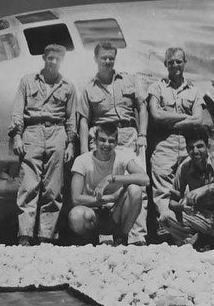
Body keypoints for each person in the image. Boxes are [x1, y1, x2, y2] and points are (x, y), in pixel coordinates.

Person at [77, 41, 148, 245]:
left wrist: (142, 134)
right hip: (103, 140)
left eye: (111, 58)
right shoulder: (89, 88)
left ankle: (136, 237)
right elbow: (83, 119)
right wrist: (83, 151)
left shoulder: (129, 80)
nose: (107, 61)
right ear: (96, 59)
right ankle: (105, 234)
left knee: (136, 186)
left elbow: (141, 107)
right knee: (104, 188)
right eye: (103, 58)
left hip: (128, 135)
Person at [9, 44, 77, 246]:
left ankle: (46, 236)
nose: (53, 62)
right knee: (28, 185)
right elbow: (17, 111)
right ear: (44, 58)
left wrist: (71, 143)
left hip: (57, 133)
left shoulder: (68, 86)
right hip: (32, 132)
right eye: (50, 58)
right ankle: (25, 235)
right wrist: (17, 136)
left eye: (57, 59)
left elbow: (71, 118)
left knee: (53, 189)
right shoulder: (27, 81)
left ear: (62, 61)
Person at [147, 47, 205, 235]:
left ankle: (185, 230)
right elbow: (155, 114)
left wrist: (169, 118)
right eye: (170, 62)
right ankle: (167, 228)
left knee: (188, 187)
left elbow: (198, 119)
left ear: (185, 63)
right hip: (164, 143)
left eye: (179, 61)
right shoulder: (157, 88)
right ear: (165, 64)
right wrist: (182, 118)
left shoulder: (195, 91)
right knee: (163, 189)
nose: (175, 65)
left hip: (188, 144)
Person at [67, 123, 149, 245]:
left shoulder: (122, 156)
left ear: (116, 143)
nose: (106, 145)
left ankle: (122, 236)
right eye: (102, 140)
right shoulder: (83, 160)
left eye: (111, 141)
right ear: (95, 141)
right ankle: (91, 240)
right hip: (94, 212)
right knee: (75, 216)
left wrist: (110, 179)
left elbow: (145, 179)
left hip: (116, 212)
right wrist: (109, 198)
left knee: (135, 190)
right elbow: (76, 199)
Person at [161, 130, 214, 245]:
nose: (195, 151)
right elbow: (172, 202)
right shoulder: (184, 167)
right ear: (187, 150)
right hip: (200, 217)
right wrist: (181, 207)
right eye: (191, 148)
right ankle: (193, 241)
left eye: (199, 146)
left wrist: (206, 189)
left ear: (208, 147)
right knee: (165, 217)